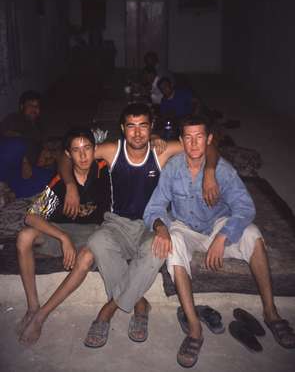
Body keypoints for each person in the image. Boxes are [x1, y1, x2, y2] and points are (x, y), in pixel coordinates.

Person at [18, 103, 219, 347]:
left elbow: (205, 146)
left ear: (151, 127)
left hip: (150, 223)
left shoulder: (161, 152)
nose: (137, 133)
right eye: (131, 127)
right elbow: (66, 155)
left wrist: (209, 171)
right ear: (123, 129)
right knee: (97, 241)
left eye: (143, 127)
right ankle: (139, 304)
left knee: (158, 250)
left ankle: (109, 308)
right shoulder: (112, 151)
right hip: (117, 223)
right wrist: (70, 185)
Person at [144, 114, 295, 368]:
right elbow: (155, 207)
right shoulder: (173, 168)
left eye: (199, 137)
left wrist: (224, 236)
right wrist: (160, 227)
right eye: (188, 138)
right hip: (185, 227)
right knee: (173, 246)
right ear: (181, 140)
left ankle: (271, 313)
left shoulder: (222, 169)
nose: (193, 144)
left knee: (253, 235)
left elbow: (245, 207)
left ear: (209, 139)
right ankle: (194, 328)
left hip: (217, 224)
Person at [17, 127, 111, 343]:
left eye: (87, 148)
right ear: (68, 155)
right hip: (61, 230)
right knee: (24, 236)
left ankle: (42, 316)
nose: (83, 155)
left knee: (86, 257)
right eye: (76, 150)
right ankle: (33, 307)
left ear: (94, 149)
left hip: (92, 232)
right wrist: (63, 238)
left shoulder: (104, 171)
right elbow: (31, 217)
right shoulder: (61, 181)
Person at [0, 90, 52, 197]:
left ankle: (9, 190)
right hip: (9, 161)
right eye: (30, 105)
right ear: (22, 107)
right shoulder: (14, 118)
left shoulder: (40, 128)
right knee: (17, 144)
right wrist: (24, 160)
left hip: (21, 171)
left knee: (51, 179)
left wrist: (44, 156)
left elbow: (40, 152)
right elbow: (8, 137)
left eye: (37, 106)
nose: (34, 109)